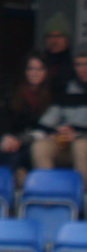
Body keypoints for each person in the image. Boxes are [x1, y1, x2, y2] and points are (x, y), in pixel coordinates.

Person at [31, 45, 87, 190]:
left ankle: (82, 197)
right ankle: (48, 193)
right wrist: (55, 132)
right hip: (65, 142)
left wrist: (78, 135)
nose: (83, 69)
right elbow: (45, 124)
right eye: (78, 65)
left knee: (81, 145)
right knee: (40, 147)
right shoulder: (66, 89)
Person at [0, 51, 53, 180]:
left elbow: (47, 127)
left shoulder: (53, 94)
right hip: (10, 140)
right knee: (11, 154)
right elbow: (4, 118)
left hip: (34, 140)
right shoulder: (12, 91)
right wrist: (5, 137)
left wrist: (22, 139)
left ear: (46, 72)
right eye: (31, 68)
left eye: (40, 69)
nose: (35, 73)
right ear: (25, 71)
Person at [41, 12, 74, 94]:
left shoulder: (74, 65)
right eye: (50, 36)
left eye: (59, 36)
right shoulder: (39, 62)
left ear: (67, 39)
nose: (54, 40)